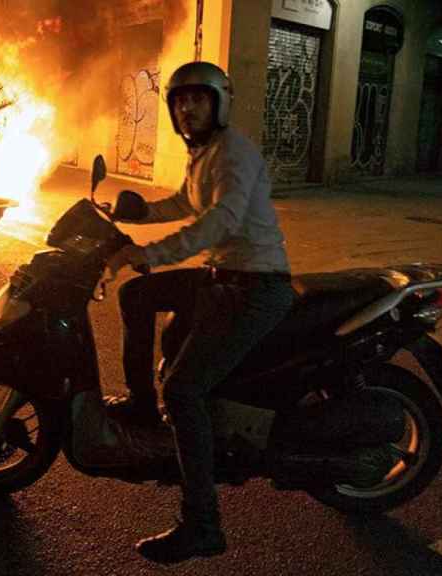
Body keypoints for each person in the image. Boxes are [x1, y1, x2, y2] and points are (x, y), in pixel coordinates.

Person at [105, 61, 296, 564]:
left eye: (198, 99)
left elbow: (220, 220)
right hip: (224, 277)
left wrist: (150, 254)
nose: (188, 108)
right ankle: (142, 404)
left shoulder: (234, 153)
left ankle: (202, 523)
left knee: (185, 388)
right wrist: (140, 213)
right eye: (180, 100)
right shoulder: (203, 154)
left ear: (220, 103)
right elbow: (186, 202)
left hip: (254, 286)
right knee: (136, 297)